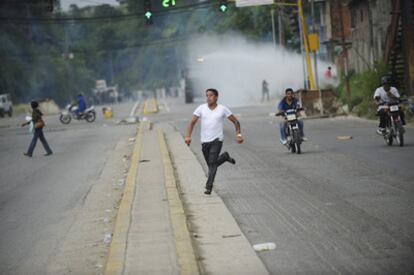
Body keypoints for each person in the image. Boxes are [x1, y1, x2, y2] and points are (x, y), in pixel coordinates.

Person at [185, 88, 243, 195]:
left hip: (217, 140)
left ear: (216, 97)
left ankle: (209, 186)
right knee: (212, 164)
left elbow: (236, 121)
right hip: (204, 141)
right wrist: (188, 136)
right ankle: (225, 157)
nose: (208, 98)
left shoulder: (222, 109)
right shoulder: (201, 108)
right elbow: (192, 123)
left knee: (212, 164)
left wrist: (238, 135)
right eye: (207, 95)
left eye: (211, 95)